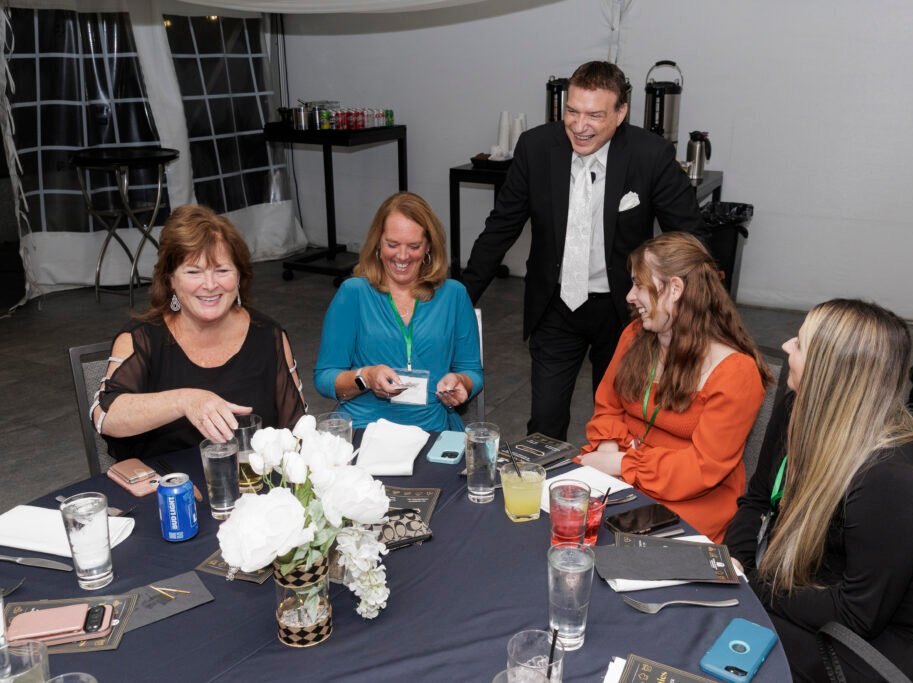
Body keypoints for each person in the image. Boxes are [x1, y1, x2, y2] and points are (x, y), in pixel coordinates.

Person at [461, 60, 704, 441]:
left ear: (620, 114)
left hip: (625, 310)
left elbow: (691, 237)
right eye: (572, 111)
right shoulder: (536, 148)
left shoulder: (650, 154)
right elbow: (501, 227)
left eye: (594, 115)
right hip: (555, 305)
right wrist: (459, 301)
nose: (579, 125)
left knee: (618, 426)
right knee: (544, 426)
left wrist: (700, 312)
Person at [724, 299, 913, 682]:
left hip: (882, 637)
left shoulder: (891, 478)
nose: (785, 346)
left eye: (799, 343)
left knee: (719, 644)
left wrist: (753, 585)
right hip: (806, 582)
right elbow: (757, 500)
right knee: (705, 622)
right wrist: (734, 564)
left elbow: (857, 614)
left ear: (829, 372)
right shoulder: (798, 408)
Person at [578, 233, 769, 542]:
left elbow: (702, 468)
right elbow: (608, 406)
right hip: (621, 473)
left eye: (639, 285)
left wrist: (622, 464)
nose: (630, 296)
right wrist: (608, 452)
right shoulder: (635, 336)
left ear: (675, 289)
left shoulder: (736, 373)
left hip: (688, 500)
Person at [95, 205, 306, 460]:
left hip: (252, 481)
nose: (210, 285)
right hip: (167, 484)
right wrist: (184, 401)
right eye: (194, 272)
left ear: (239, 276)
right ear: (170, 280)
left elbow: (298, 432)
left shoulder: (268, 336)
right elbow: (106, 417)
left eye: (222, 270)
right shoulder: (142, 339)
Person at [314, 192, 482, 432]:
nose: (402, 256)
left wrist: (461, 382)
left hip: (432, 429)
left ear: (428, 247)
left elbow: (472, 372)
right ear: (377, 244)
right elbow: (324, 378)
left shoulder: (453, 295)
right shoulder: (354, 293)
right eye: (392, 245)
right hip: (365, 429)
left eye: (414, 246)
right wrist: (366, 377)